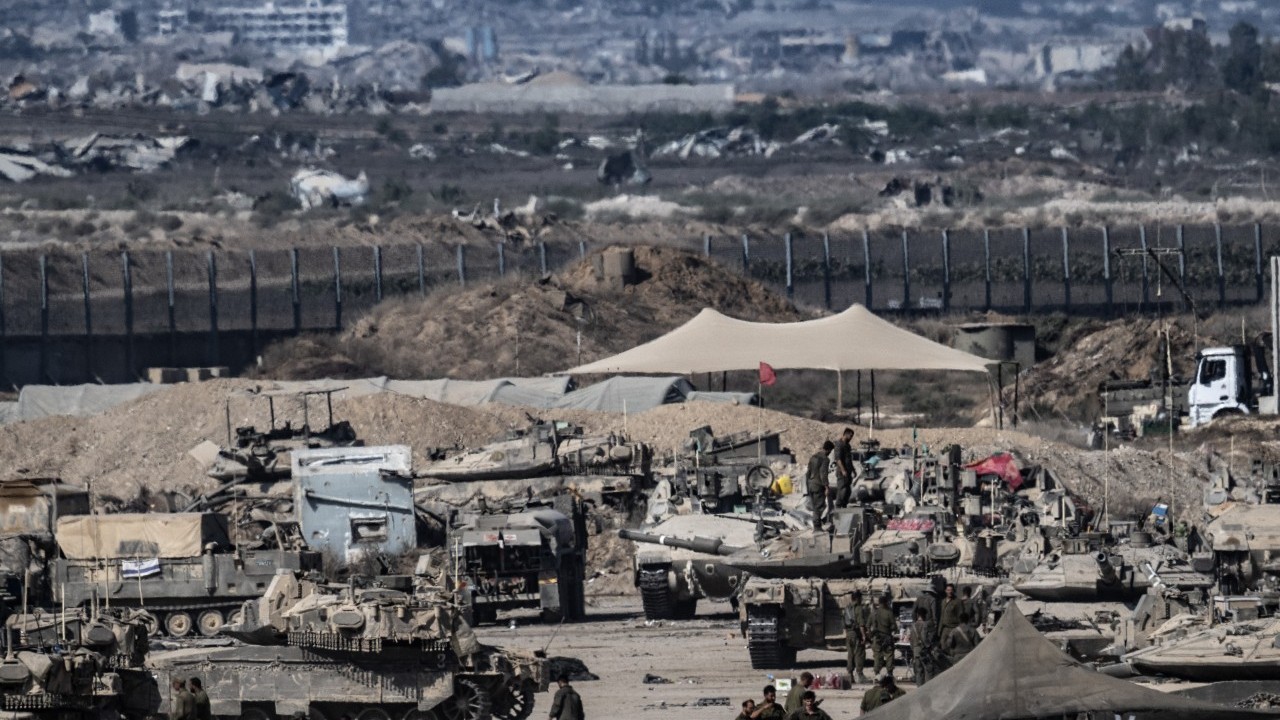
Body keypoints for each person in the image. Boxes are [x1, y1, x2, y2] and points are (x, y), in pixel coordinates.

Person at [844, 590, 871, 685]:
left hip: (848, 633)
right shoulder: (859, 608)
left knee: (850, 654)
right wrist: (864, 636)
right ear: (858, 598)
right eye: (861, 598)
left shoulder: (847, 608)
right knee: (859, 653)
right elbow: (861, 624)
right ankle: (859, 675)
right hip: (856, 634)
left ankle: (850, 675)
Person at [806, 442, 834, 529]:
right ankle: (817, 526)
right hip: (818, 485)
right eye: (830, 451)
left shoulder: (813, 457)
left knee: (815, 506)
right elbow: (823, 474)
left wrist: (807, 484)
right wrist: (826, 487)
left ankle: (816, 523)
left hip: (810, 484)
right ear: (829, 450)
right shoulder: (825, 459)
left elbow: (808, 472)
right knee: (819, 506)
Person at [868, 594, 897, 676]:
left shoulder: (874, 613)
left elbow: (867, 625)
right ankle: (890, 673)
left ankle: (876, 674)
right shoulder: (889, 612)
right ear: (885, 602)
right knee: (889, 655)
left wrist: (870, 636)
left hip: (876, 638)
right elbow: (894, 627)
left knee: (877, 656)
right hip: (887, 637)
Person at [909, 606, 938, 686]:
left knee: (918, 671)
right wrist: (929, 646)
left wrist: (914, 649)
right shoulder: (924, 625)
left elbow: (911, 640)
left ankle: (919, 688)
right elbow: (924, 637)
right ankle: (927, 688)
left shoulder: (913, 626)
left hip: (916, 651)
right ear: (924, 615)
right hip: (923, 651)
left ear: (918, 615)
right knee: (928, 670)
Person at [832, 428, 855, 508]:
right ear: (846, 434)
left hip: (848, 472)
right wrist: (843, 470)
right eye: (850, 436)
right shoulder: (839, 444)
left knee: (848, 491)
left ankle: (844, 506)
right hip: (842, 473)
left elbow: (849, 459)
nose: (851, 438)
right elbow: (838, 459)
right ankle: (838, 507)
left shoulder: (848, 446)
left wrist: (853, 470)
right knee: (842, 490)